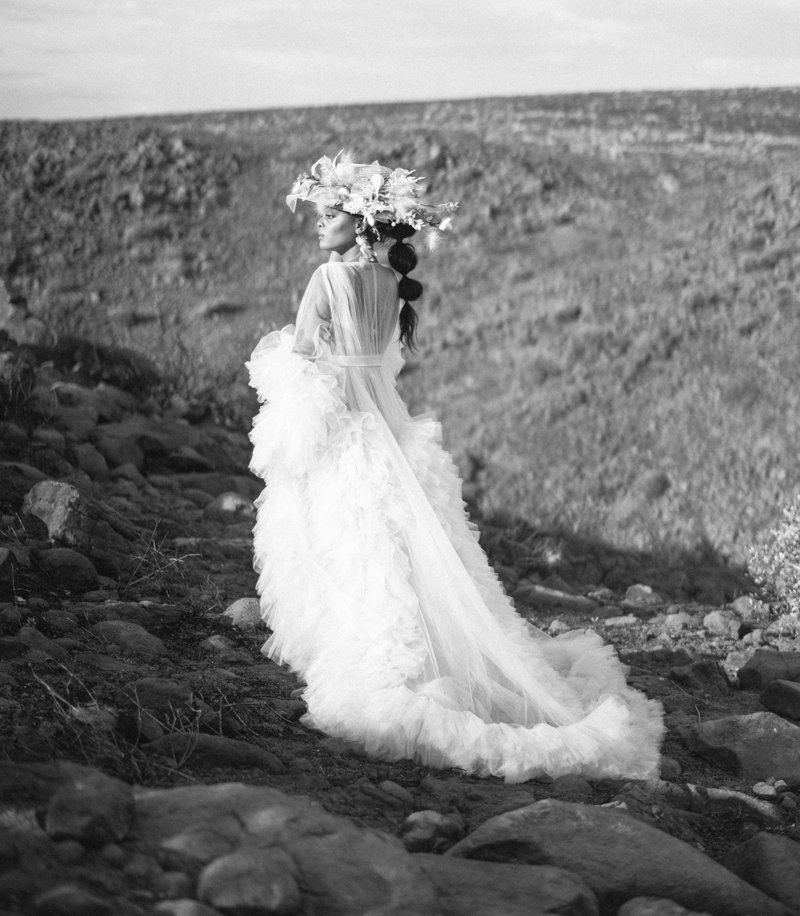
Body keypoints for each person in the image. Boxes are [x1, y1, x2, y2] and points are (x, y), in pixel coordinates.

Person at [247, 152, 664, 782]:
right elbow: (378, 362)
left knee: (351, 546)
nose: (319, 225)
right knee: (413, 550)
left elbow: (304, 363)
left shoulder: (326, 278)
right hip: (390, 421)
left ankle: (375, 662)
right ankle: (444, 654)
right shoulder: (390, 284)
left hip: (351, 424)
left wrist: (292, 403)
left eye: (330, 213)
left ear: (360, 223)